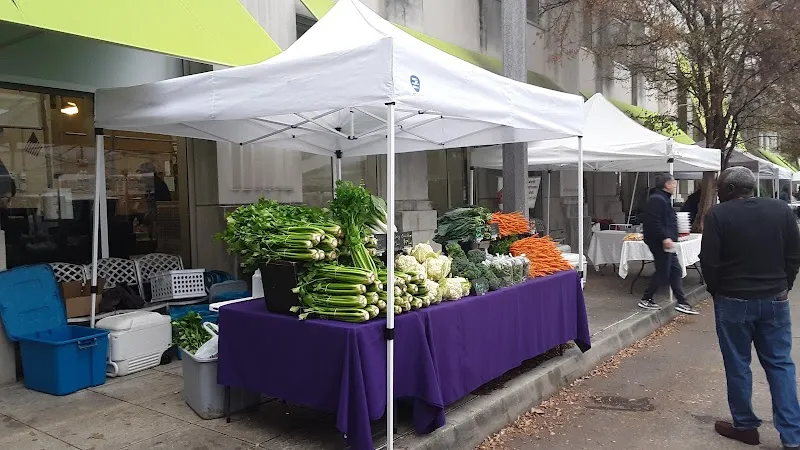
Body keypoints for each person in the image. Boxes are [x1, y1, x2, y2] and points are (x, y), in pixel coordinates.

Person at [699, 166, 800, 449]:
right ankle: (793, 437)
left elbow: (709, 261)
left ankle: (745, 426)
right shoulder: (781, 210)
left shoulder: (719, 215)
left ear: (730, 190)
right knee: (781, 365)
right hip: (775, 299)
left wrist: (717, 291)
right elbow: (794, 254)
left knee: (738, 364)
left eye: (719, 188)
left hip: (733, 300)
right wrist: (785, 285)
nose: (717, 193)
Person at [638, 173, 699, 315]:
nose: (675, 185)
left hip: (666, 241)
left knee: (675, 270)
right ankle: (646, 298)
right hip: (660, 242)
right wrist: (665, 237)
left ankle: (682, 302)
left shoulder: (662, 199)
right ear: (667, 185)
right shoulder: (657, 200)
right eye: (673, 183)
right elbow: (654, 222)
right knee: (663, 271)